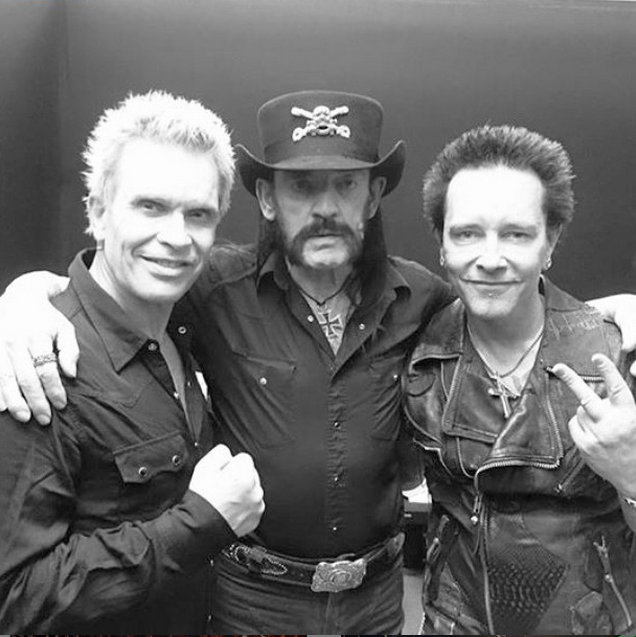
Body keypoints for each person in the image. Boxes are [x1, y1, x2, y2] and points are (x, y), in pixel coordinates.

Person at [1, 92, 636, 634]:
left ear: (374, 196)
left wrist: (608, 317)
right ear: (267, 199)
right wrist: (22, 300)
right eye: (302, 187)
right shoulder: (208, 286)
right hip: (251, 598)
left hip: (377, 598)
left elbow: (508, 300)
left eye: (346, 184)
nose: (325, 206)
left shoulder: (424, 300)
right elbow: (111, 288)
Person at [0, 91, 265, 633]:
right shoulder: (39, 363)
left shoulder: (180, 327)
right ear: (97, 212)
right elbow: (14, 598)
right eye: (150, 206)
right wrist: (201, 522)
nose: (176, 236)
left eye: (198, 214)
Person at [403, 124, 636, 635]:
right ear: (441, 244)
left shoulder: (618, 358)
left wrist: (631, 471)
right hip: (452, 623)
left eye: (517, 234)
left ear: (550, 241)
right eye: (466, 233)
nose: (490, 259)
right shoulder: (416, 353)